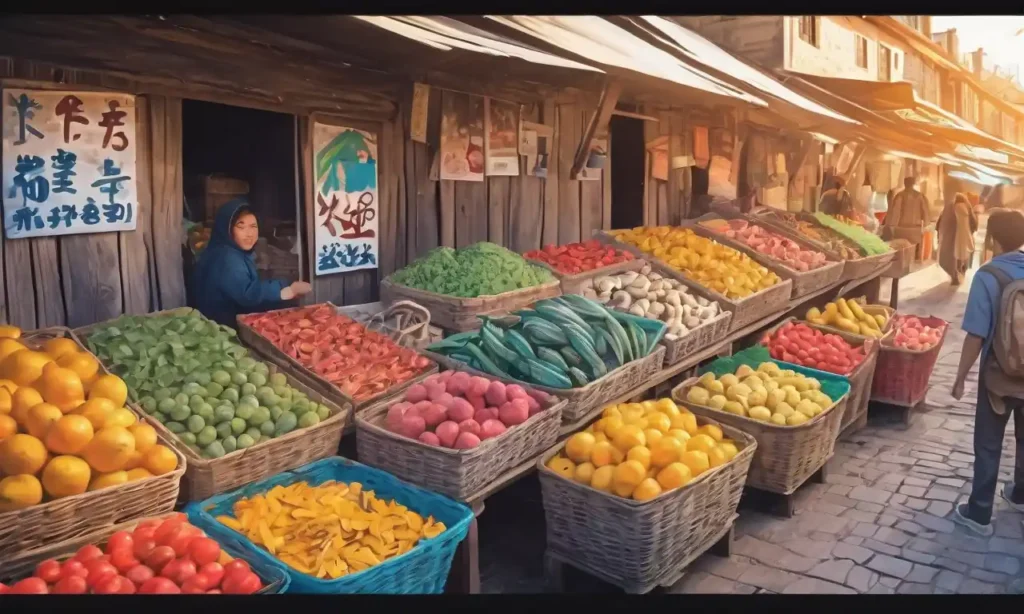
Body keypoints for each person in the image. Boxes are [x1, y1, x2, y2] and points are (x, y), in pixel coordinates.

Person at [951, 209, 1024, 537]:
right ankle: (1020, 493)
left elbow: (976, 335)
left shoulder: (988, 275)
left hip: (997, 377)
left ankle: (979, 512)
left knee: (988, 443)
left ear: (993, 239)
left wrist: (960, 376)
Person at [193, 198, 311, 328]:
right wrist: (287, 290)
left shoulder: (225, 250)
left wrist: (285, 285)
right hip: (222, 328)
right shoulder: (227, 257)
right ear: (227, 229)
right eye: (241, 227)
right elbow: (248, 294)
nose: (249, 234)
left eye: (253, 226)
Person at [936, 193, 978, 286]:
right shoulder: (967, 207)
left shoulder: (949, 207)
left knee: (951, 256)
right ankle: (960, 271)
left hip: (950, 236)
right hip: (963, 237)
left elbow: (941, 221)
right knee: (962, 254)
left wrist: (939, 233)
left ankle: (954, 275)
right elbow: (974, 223)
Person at [882, 176, 931, 242]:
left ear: (905, 183)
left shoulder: (900, 196)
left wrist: (891, 226)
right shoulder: (920, 196)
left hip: (902, 230)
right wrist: (926, 225)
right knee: (915, 249)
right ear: (913, 184)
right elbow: (925, 213)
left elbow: (895, 213)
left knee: (904, 249)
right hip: (916, 230)